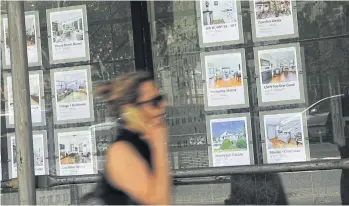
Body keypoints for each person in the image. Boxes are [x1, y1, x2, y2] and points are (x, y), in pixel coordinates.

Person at [83, 72, 172, 205]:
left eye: (162, 98)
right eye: (155, 102)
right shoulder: (120, 150)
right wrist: (159, 145)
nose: (164, 104)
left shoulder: (144, 145)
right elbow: (158, 202)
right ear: (130, 111)